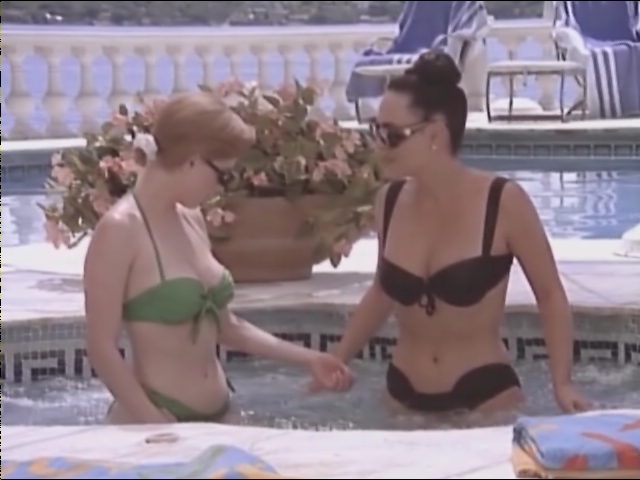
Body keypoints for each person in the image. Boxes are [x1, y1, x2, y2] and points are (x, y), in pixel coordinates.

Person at [322, 50, 590, 414]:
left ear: (435, 133)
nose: (379, 145)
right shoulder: (390, 200)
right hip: (402, 394)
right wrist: (337, 359)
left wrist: (562, 384)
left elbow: (550, 294)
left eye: (393, 135)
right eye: (375, 130)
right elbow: (382, 291)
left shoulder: (502, 201)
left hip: (484, 395)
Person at [84, 91, 351, 424]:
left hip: (221, 413)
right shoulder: (120, 229)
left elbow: (227, 327)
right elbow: (101, 348)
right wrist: (155, 423)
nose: (222, 187)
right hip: (158, 418)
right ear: (193, 160)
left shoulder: (191, 218)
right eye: (222, 174)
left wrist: (309, 358)